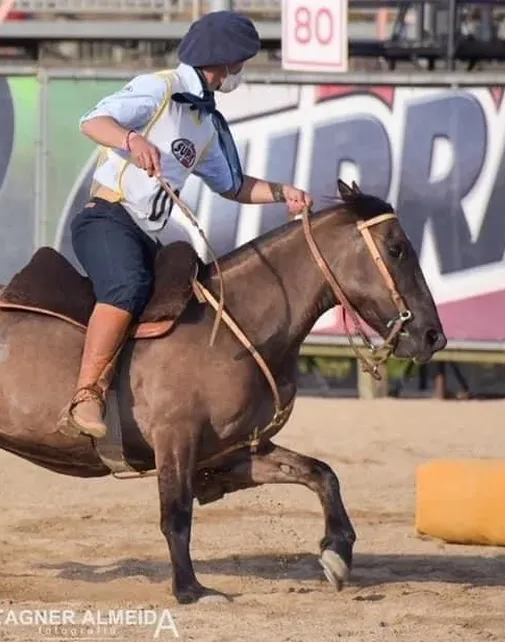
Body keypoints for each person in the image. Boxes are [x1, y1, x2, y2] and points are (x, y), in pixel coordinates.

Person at [57, 10, 313, 441]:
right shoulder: (159, 89)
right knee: (127, 287)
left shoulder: (207, 123)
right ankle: (86, 394)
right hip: (107, 216)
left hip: (150, 232)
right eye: (240, 62)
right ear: (222, 59)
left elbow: (232, 185)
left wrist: (280, 191)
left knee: (196, 296)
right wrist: (131, 139)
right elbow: (92, 120)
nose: (240, 72)